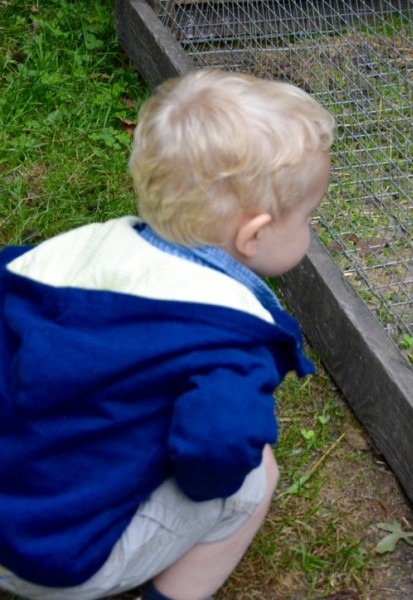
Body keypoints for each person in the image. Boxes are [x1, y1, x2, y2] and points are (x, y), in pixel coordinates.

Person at [0, 68, 335, 600]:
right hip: (59, 558)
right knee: (254, 477)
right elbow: (218, 448)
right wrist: (203, 482)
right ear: (253, 235)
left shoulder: (56, 260)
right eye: (307, 217)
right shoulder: (228, 340)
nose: (310, 229)